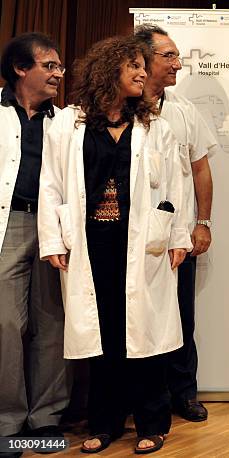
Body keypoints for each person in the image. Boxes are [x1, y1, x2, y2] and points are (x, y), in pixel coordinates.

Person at [37, 36, 191, 454]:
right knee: (103, 335)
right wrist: (52, 239)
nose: (144, 73)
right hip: (91, 244)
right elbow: (50, 185)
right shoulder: (69, 123)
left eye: (144, 65)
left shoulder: (155, 126)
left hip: (143, 245)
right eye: (134, 66)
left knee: (144, 336)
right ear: (109, 71)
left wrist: (179, 235)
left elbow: (179, 184)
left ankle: (153, 422)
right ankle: (103, 423)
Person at [134, 23, 216, 423]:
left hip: (177, 238)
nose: (177, 64)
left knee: (182, 315)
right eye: (168, 56)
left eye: (176, 55)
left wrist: (203, 221)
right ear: (141, 61)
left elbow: (201, 171)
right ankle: (140, 399)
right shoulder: (121, 110)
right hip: (132, 239)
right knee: (137, 317)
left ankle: (183, 393)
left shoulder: (185, 113)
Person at [0, 32, 71, 445]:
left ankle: (46, 418)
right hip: (8, 225)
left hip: (51, 228)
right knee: (7, 324)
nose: (58, 74)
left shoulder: (65, 121)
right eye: (49, 65)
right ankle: (8, 422)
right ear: (20, 68)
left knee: (52, 323)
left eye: (60, 67)